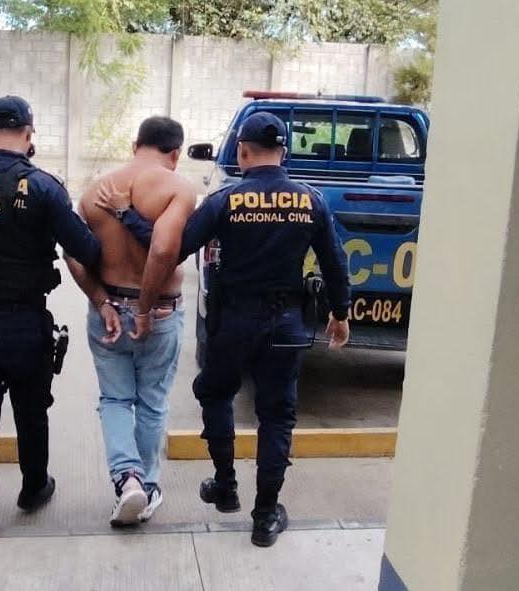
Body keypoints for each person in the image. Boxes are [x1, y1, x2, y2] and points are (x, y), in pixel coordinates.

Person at [96, 111, 351, 547]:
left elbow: (172, 247)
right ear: (284, 153)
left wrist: (126, 214)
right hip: (286, 324)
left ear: (243, 152)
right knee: (277, 416)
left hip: (233, 322)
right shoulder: (311, 200)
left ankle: (225, 484)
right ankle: (265, 516)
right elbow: (334, 261)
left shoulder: (225, 201)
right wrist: (340, 312)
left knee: (215, 393)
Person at [0, 95, 102, 554]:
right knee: (31, 411)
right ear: (29, 133)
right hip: (23, 321)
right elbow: (88, 251)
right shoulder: (43, 188)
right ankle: (33, 488)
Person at [65, 116, 197, 526]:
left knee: (115, 400)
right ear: (175, 153)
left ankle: (128, 480)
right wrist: (143, 308)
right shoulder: (177, 188)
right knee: (152, 402)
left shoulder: (95, 192)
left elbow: (72, 252)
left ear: (135, 145)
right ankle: (148, 485)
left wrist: (101, 301)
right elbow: (163, 252)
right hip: (158, 313)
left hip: (107, 312)